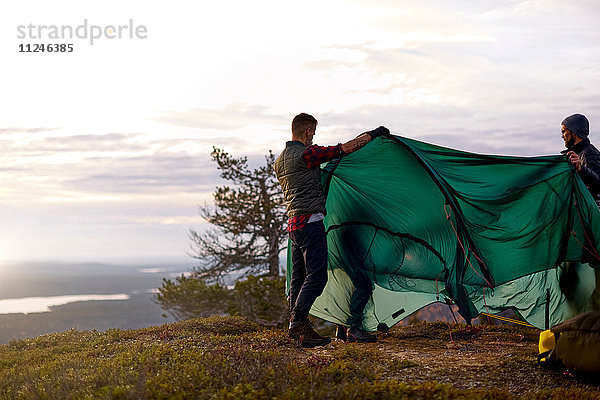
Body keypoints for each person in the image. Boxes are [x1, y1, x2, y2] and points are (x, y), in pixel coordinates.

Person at [273, 112, 388, 347]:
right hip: (311, 223)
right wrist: (373, 134)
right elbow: (344, 149)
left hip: (294, 226)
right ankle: (298, 323)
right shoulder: (307, 154)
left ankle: (300, 332)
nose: (313, 138)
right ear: (306, 131)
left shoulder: (280, 160)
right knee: (317, 277)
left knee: (299, 278)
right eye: (313, 133)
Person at [561, 113, 600, 203]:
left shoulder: (589, 153)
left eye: (564, 131)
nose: (562, 136)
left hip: (591, 213)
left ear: (574, 132)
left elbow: (598, 183)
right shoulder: (575, 155)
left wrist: (581, 169)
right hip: (582, 211)